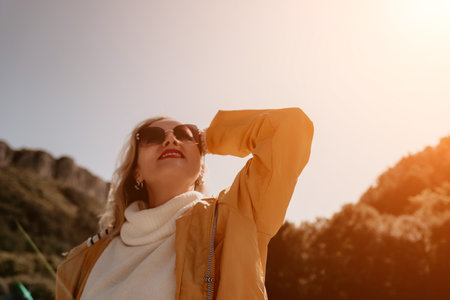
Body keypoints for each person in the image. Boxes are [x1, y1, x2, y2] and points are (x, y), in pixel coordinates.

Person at [55, 108, 314, 300]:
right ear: (137, 172)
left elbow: (291, 128)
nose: (170, 140)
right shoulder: (81, 262)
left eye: (185, 134)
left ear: (201, 167)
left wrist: (209, 138)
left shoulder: (234, 217)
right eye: (152, 136)